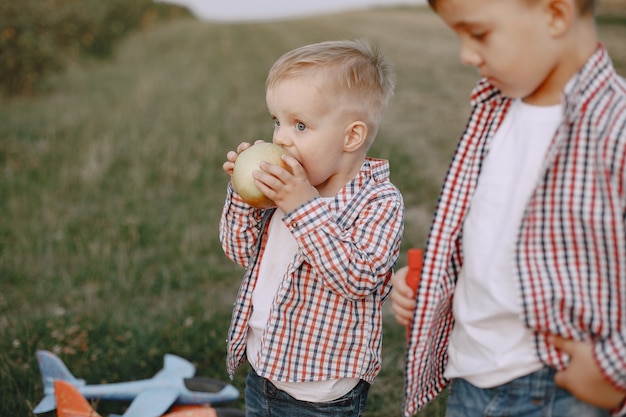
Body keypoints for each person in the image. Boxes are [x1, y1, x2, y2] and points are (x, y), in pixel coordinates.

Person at [389, 0, 626, 416]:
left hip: (562, 387)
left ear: (555, 14)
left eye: (478, 34)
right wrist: (437, 282)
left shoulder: (615, 127)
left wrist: (614, 368)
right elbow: (494, 229)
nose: (466, 54)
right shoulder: (494, 110)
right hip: (471, 377)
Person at [219, 39, 404, 417]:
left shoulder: (379, 202)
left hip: (319, 392)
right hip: (264, 368)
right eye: (278, 121)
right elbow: (239, 252)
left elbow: (358, 278)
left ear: (351, 137)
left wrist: (303, 206)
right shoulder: (287, 189)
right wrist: (244, 194)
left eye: (300, 125)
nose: (282, 138)